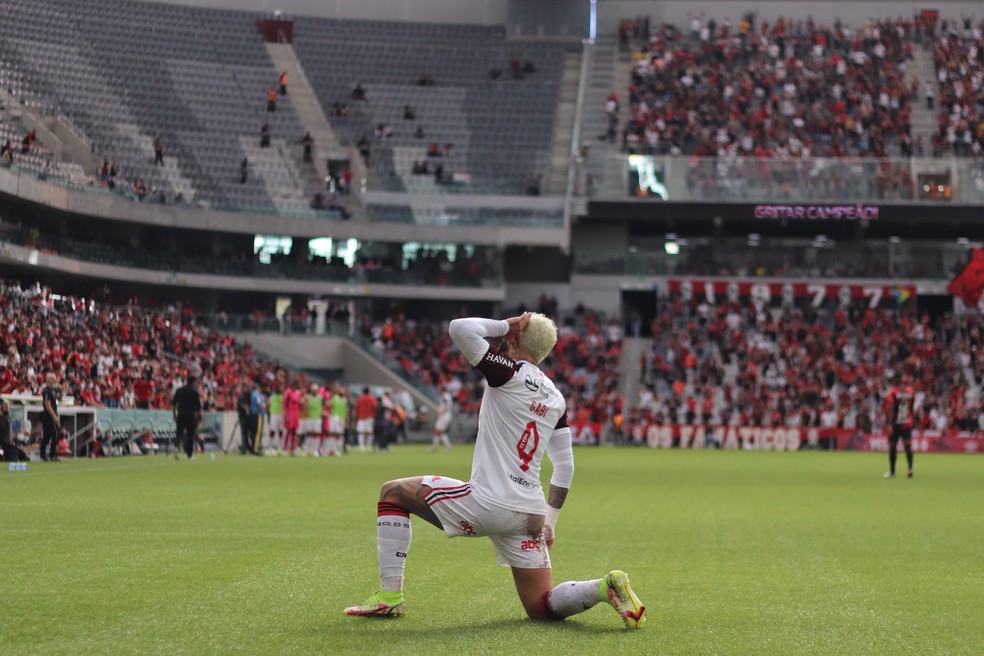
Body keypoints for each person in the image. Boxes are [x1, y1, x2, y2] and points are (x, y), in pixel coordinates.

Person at [344, 313, 645, 628]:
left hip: (487, 503)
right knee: (541, 607)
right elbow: (565, 465)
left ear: (515, 340)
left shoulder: (509, 373)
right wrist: (550, 522)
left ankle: (389, 597)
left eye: (511, 336)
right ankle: (603, 587)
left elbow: (459, 328)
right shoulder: (557, 397)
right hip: (529, 514)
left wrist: (505, 324)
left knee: (392, 493)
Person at [884, 374, 915, 478]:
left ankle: (892, 472)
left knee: (893, 446)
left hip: (896, 423)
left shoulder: (893, 392)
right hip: (907, 422)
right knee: (908, 446)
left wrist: (890, 423)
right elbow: (912, 406)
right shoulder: (910, 391)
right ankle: (910, 469)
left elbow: (891, 407)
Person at [171, 375, 202, 460]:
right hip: (190, 414)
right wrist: (199, 418)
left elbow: (173, 404)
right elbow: (198, 407)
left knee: (179, 433)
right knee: (190, 434)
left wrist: (174, 415)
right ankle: (189, 454)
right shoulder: (194, 392)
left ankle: (176, 447)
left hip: (180, 414)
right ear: (193, 382)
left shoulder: (179, 390)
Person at [39, 373, 61, 462]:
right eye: (54, 379)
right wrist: (54, 416)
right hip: (48, 416)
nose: (56, 381)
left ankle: (44, 455)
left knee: (47, 436)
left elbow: (57, 400)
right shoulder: (46, 391)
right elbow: (47, 405)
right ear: (50, 380)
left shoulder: (53, 390)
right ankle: (51, 454)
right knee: (55, 434)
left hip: (52, 415)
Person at [429, 385, 453, 452]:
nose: (438, 390)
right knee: (439, 431)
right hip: (444, 416)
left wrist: (440, 413)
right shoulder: (446, 396)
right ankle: (437, 447)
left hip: (444, 416)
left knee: (438, 431)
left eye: (439, 389)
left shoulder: (445, 396)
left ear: (442, 389)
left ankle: (439, 447)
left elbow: (446, 407)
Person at [282, 379, 302, 456]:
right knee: (288, 431)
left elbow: (300, 403)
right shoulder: (288, 392)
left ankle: (293, 448)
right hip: (290, 413)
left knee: (294, 431)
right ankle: (285, 448)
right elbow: (285, 404)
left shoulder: (298, 393)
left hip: (296, 414)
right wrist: (286, 415)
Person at [327, 385, 348, 456]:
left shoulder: (345, 400)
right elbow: (329, 405)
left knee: (338, 435)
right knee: (333, 433)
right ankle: (331, 449)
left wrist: (346, 421)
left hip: (341, 419)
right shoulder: (334, 398)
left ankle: (335, 449)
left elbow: (345, 411)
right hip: (334, 417)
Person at [249, 381, 267, 455]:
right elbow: (259, 406)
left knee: (256, 432)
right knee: (258, 432)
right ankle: (255, 449)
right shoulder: (257, 395)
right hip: (258, 415)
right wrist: (266, 405)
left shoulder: (257, 395)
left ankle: (255, 447)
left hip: (257, 414)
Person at [266, 383, 284, 452]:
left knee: (280, 430)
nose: (279, 389)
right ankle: (270, 445)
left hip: (281, 415)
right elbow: (268, 404)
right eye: (278, 388)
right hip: (273, 415)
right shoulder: (272, 397)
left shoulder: (283, 397)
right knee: (272, 430)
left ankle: (280, 445)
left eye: (280, 388)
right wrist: (269, 414)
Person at [236, 385, 252, 455]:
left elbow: (240, 406)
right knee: (245, 433)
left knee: (245, 433)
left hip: (244, 417)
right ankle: (245, 447)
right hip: (245, 417)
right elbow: (244, 406)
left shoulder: (242, 398)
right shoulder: (246, 398)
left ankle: (245, 447)